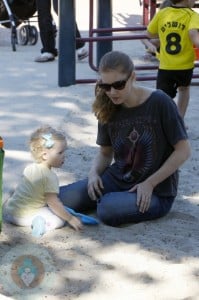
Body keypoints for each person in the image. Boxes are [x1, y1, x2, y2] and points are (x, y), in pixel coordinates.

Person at [58, 50, 191, 227]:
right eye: (106, 86)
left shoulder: (160, 102)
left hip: (156, 190)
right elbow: (105, 153)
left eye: (119, 85)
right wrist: (93, 174)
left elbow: (183, 151)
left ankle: (111, 200)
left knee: (106, 209)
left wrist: (150, 183)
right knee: (61, 198)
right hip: (117, 178)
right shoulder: (107, 105)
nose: (112, 92)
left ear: (132, 77)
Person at [3, 125, 83, 235]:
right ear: (45, 155)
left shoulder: (30, 167)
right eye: (60, 153)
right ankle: (40, 223)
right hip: (24, 217)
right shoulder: (50, 177)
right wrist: (70, 219)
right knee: (59, 220)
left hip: (10, 212)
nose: (64, 156)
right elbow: (53, 203)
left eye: (64, 151)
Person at [147, 0, 199, 119]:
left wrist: (164, 33)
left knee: (163, 96)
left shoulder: (162, 13)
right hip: (185, 65)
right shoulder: (193, 15)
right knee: (184, 89)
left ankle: (164, 121)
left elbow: (149, 33)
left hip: (166, 65)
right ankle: (180, 119)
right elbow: (193, 35)